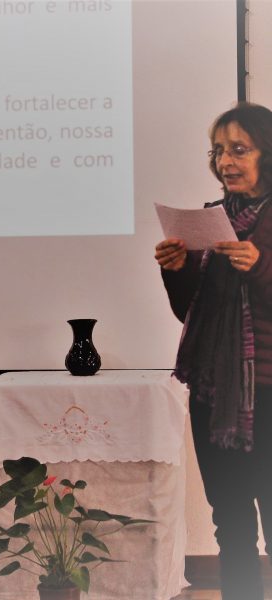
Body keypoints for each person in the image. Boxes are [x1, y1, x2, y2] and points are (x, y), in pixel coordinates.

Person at [155, 102, 272, 600]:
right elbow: (190, 313)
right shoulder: (212, 221)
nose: (225, 161)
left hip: (267, 393)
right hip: (214, 393)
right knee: (230, 519)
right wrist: (176, 269)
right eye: (219, 151)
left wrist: (260, 266)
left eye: (239, 149)